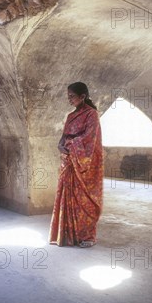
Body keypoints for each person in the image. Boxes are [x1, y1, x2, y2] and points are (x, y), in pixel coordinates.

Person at [49, 82, 104, 248]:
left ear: (83, 96)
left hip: (84, 164)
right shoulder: (71, 116)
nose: (69, 100)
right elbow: (64, 136)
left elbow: (90, 139)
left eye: (72, 96)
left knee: (84, 200)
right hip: (69, 163)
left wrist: (71, 144)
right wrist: (61, 144)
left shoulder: (92, 114)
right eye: (68, 97)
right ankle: (67, 234)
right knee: (68, 196)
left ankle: (87, 236)